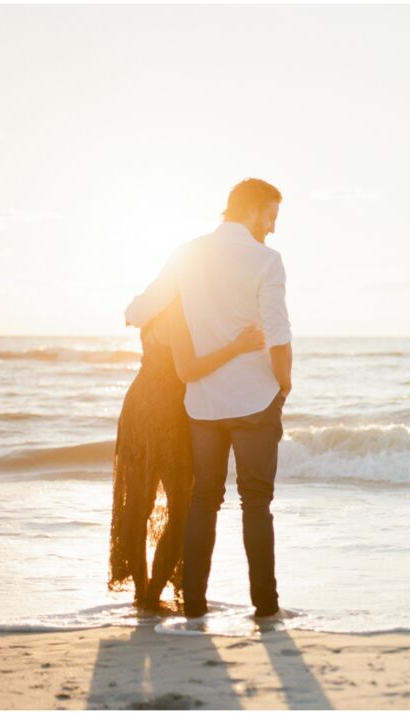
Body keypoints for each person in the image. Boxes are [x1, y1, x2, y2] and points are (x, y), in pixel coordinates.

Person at [124, 178, 292, 620]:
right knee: (256, 502)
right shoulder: (267, 260)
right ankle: (265, 607)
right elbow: (278, 333)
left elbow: (138, 311)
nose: (273, 227)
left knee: (205, 501)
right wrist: (284, 386)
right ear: (254, 210)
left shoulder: (188, 254)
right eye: (271, 215)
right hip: (255, 399)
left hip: (203, 404)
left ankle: (193, 605)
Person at [108, 297, 264, 611]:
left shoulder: (153, 310)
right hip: (166, 414)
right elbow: (188, 371)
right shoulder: (178, 315)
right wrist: (236, 347)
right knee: (182, 507)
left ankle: (144, 592)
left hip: (140, 404)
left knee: (139, 503)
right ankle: (150, 593)